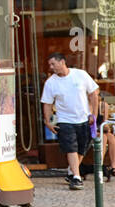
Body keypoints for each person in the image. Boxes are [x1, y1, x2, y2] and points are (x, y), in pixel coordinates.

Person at [41, 52, 99, 190]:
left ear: (62, 62)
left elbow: (94, 94)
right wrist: (48, 121)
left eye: (53, 64)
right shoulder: (51, 82)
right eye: (50, 64)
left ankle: (71, 171)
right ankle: (77, 177)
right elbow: (47, 103)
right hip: (64, 120)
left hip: (83, 118)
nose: (51, 67)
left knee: (82, 148)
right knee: (71, 148)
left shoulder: (81, 75)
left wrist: (93, 114)